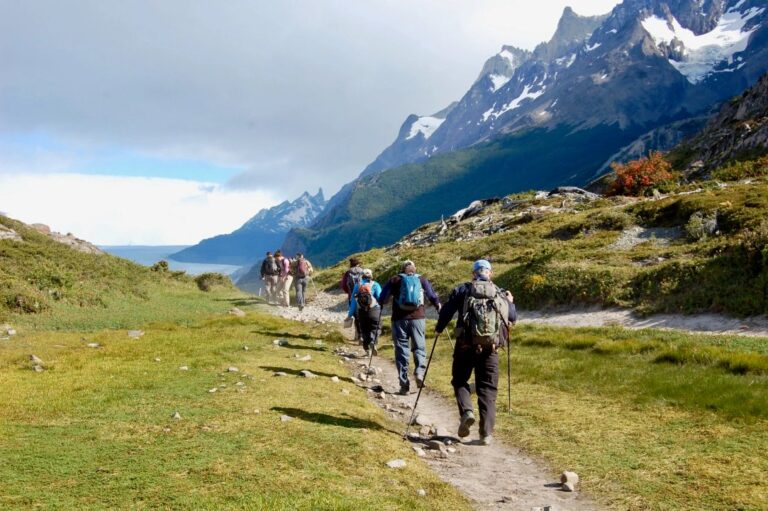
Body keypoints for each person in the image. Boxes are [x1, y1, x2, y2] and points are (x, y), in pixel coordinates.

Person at [435, 259, 517, 446]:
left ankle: (467, 412)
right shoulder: (499, 292)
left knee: (459, 380)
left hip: (465, 345)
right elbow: (512, 317)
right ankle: (486, 433)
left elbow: (446, 311)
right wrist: (510, 302)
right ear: (490, 273)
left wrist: (439, 328)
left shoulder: (463, 290)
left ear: (473, 273)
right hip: (491, 348)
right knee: (487, 389)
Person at [379, 260, 441, 395]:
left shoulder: (395, 279)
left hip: (399, 320)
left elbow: (382, 298)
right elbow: (432, 296)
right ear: (414, 269)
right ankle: (419, 372)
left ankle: (404, 384)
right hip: (418, 318)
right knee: (419, 347)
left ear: (402, 270)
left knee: (401, 350)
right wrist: (438, 306)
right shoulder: (422, 279)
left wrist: (382, 302)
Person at [347, 269, 382, 356]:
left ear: (361, 276)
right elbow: (380, 298)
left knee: (364, 330)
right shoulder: (375, 284)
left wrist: (350, 315)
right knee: (376, 328)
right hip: (374, 310)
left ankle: (367, 350)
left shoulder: (358, 285)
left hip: (361, 311)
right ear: (371, 275)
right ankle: (373, 341)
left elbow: (353, 301)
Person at [341, 257, 364, 341]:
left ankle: (359, 335)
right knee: (363, 315)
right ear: (358, 264)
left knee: (356, 315)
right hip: (364, 296)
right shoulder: (363, 271)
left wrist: (350, 292)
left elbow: (343, 285)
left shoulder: (348, 273)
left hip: (352, 297)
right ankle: (363, 335)